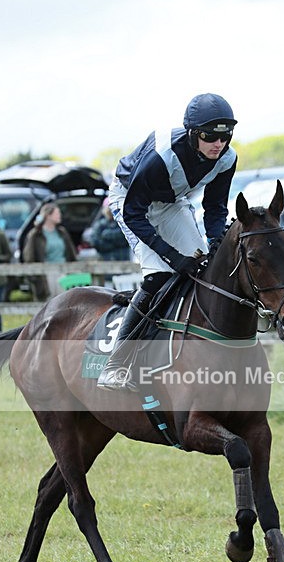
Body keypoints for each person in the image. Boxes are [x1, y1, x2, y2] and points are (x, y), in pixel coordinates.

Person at [97, 92, 238, 390]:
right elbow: (134, 215)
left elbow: (215, 208)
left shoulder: (226, 158)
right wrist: (173, 258)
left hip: (173, 202)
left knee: (202, 267)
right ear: (193, 133)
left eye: (225, 137)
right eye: (211, 136)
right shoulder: (162, 156)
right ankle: (116, 364)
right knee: (160, 274)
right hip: (130, 201)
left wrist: (215, 241)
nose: (219, 144)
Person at [22, 202, 77, 300]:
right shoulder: (35, 235)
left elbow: (71, 252)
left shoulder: (62, 232)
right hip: (47, 274)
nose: (59, 216)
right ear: (48, 215)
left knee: (65, 302)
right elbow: (29, 257)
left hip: (64, 271)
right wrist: (34, 278)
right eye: (57, 213)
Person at [90, 199, 131, 263]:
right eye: (108, 209)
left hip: (123, 261)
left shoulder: (123, 224)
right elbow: (94, 241)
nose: (110, 211)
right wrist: (112, 245)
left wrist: (106, 235)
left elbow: (127, 238)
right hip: (105, 261)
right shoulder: (99, 225)